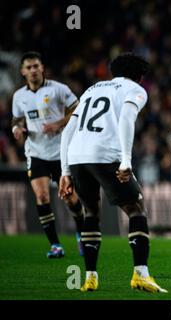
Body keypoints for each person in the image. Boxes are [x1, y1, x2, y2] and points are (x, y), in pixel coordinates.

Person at [58, 53, 167, 293]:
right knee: (136, 207)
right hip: (105, 154)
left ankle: (90, 277)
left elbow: (67, 132)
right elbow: (127, 118)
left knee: (91, 212)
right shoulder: (134, 89)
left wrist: (65, 171)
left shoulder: (92, 89)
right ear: (139, 77)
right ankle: (141, 274)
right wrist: (126, 161)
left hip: (76, 156)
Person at [11, 51, 85, 258]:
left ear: (42, 68)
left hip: (61, 151)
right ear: (23, 71)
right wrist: (17, 129)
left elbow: (78, 110)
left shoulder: (59, 90)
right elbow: (16, 120)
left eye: (36, 66)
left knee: (70, 198)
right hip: (36, 153)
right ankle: (55, 245)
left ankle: (81, 233)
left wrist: (58, 123)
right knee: (42, 196)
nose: (33, 70)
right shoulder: (19, 96)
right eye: (29, 67)